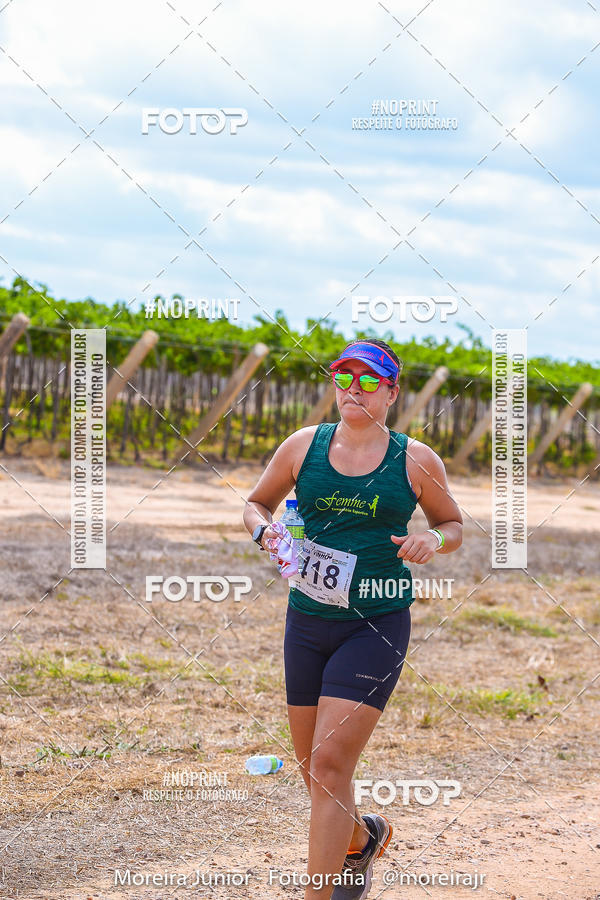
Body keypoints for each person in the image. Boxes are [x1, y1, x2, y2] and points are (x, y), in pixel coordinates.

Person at [243, 339, 463, 899]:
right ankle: (363, 838)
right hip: (308, 621)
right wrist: (263, 531)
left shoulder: (416, 459)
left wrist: (430, 540)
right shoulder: (302, 447)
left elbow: (453, 524)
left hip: (377, 624)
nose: (353, 389)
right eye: (343, 377)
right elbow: (256, 502)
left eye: (369, 381)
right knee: (314, 773)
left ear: (391, 392)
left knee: (331, 761)